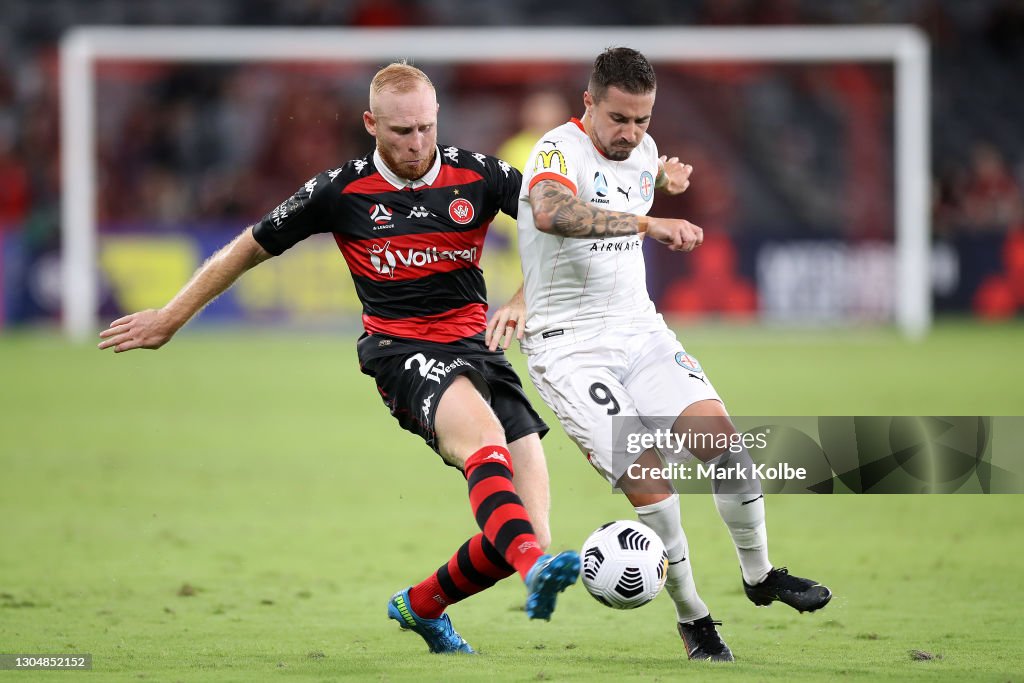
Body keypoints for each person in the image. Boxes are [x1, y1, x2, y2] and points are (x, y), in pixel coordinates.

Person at [98, 61, 579, 655]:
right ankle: (536, 567)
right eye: (402, 132)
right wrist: (171, 316)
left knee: (526, 529)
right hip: (402, 352)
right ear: (371, 124)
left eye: (426, 128)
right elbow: (248, 247)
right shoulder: (339, 189)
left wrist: (525, 300)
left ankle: (423, 604)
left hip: (478, 348)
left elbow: (558, 227)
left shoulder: (477, 174)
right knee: (486, 450)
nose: (417, 143)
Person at [511, 47, 831, 662]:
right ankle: (696, 619)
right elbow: (552, 212)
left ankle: (761, 576)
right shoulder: (555, 149)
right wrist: (648, 222)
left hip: (640, 332)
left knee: (725, 445)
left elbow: (631, 175)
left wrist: (662, 180)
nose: (631, 133)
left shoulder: (644, 152)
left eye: (643, 120)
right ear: (589, 104)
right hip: (570, 350)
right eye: (618, 119)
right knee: (654, 487)